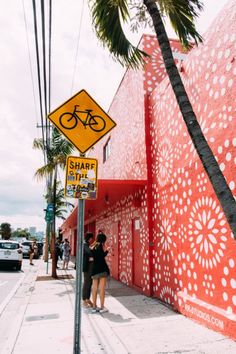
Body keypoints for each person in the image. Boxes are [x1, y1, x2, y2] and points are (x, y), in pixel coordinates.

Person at [90, 233, 110, 313]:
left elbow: (93, 258)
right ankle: (102, 307)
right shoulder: (100, 246)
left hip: (94, 269)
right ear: (103, 240)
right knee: (102, 289)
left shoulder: (92, 246)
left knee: (94, 288)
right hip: (102, 269)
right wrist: (107, 250)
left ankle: (94, 306)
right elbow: (101, 256)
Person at [82, 232, 94, 307]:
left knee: (89, 283)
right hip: (87, 267)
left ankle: (87, 299)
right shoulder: (85, 244)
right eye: (91, 238)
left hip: (89, 267)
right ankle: (84, 299)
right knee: (87, 283)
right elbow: (89, 253)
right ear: (89, 238)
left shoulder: (86, 245)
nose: (92, 240)